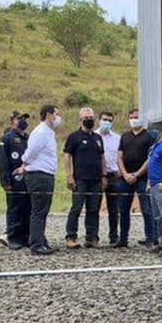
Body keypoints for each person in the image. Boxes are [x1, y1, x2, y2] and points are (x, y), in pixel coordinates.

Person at [17, 104, 62, 256]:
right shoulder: (41, 132)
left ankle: (41, 240)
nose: (58, 117)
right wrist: (24, 164)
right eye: (56, 114)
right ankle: (36, 244)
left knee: (42, 210)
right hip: (39, 175)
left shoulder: (49, 133)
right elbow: (31, 153)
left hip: (46, 174)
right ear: (49, 115)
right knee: (39, 211)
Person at [62, 106, 107, 248]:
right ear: (80, 120)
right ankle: (71, 237)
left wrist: (104, 176)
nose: (89, 120)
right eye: (86, 118)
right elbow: (67, 157)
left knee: (93, 209)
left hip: (96, 180)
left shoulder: (98, 137)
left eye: (91, 118)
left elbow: (102, 158)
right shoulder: (74, 137)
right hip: (80, 179)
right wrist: (69, 176)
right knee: (76, 209)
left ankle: (92, 238)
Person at [118, 109, 154, 247]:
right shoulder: (125, 136)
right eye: (131, 117)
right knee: (123, 210)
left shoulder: (149, 136)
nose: (134, 120)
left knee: (146, 209)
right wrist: (125, 174)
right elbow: (119, 156)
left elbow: (150, 157)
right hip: (125, 178)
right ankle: (123, 239)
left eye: (136, 117)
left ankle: (150, 239)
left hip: (143, 178)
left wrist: (137, 174)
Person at [0, 110, 32, 249]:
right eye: (20, 118)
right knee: (15, 208)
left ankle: (25, 237)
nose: (23, 121)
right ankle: (13, 237)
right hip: (13, 179)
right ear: (12, 121)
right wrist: (4, 181)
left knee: (28, 208)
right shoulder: (7, 138)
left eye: (25, 118)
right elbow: (2, 161)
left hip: (28, 179)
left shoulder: (29, 138)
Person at [97, 110, 124, 247]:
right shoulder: (93, 136)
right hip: (97, 177)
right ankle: (92, 237)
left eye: (109, 120)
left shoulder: (118, 138)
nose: (106, 122)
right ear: (99, 120)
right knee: (94, 207)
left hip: (114, 176)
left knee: (114, 209)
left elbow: (121, 156)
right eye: (104, 119)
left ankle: (114, 236)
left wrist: (121, 170)